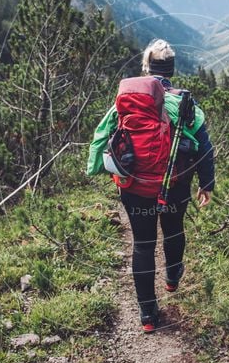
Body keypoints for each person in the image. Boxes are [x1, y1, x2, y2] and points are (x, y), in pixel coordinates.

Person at [87, 39, 215, 333]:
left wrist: (95, 168)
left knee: (143, 245)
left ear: (146, 67)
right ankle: (172, 277)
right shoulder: (184, 102)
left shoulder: (126, 98)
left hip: (134, 186)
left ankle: (147, 314)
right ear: (171, 69)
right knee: (174, 231)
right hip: (175, 184)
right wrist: (206, 183)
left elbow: (101, 136)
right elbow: (204, 147)